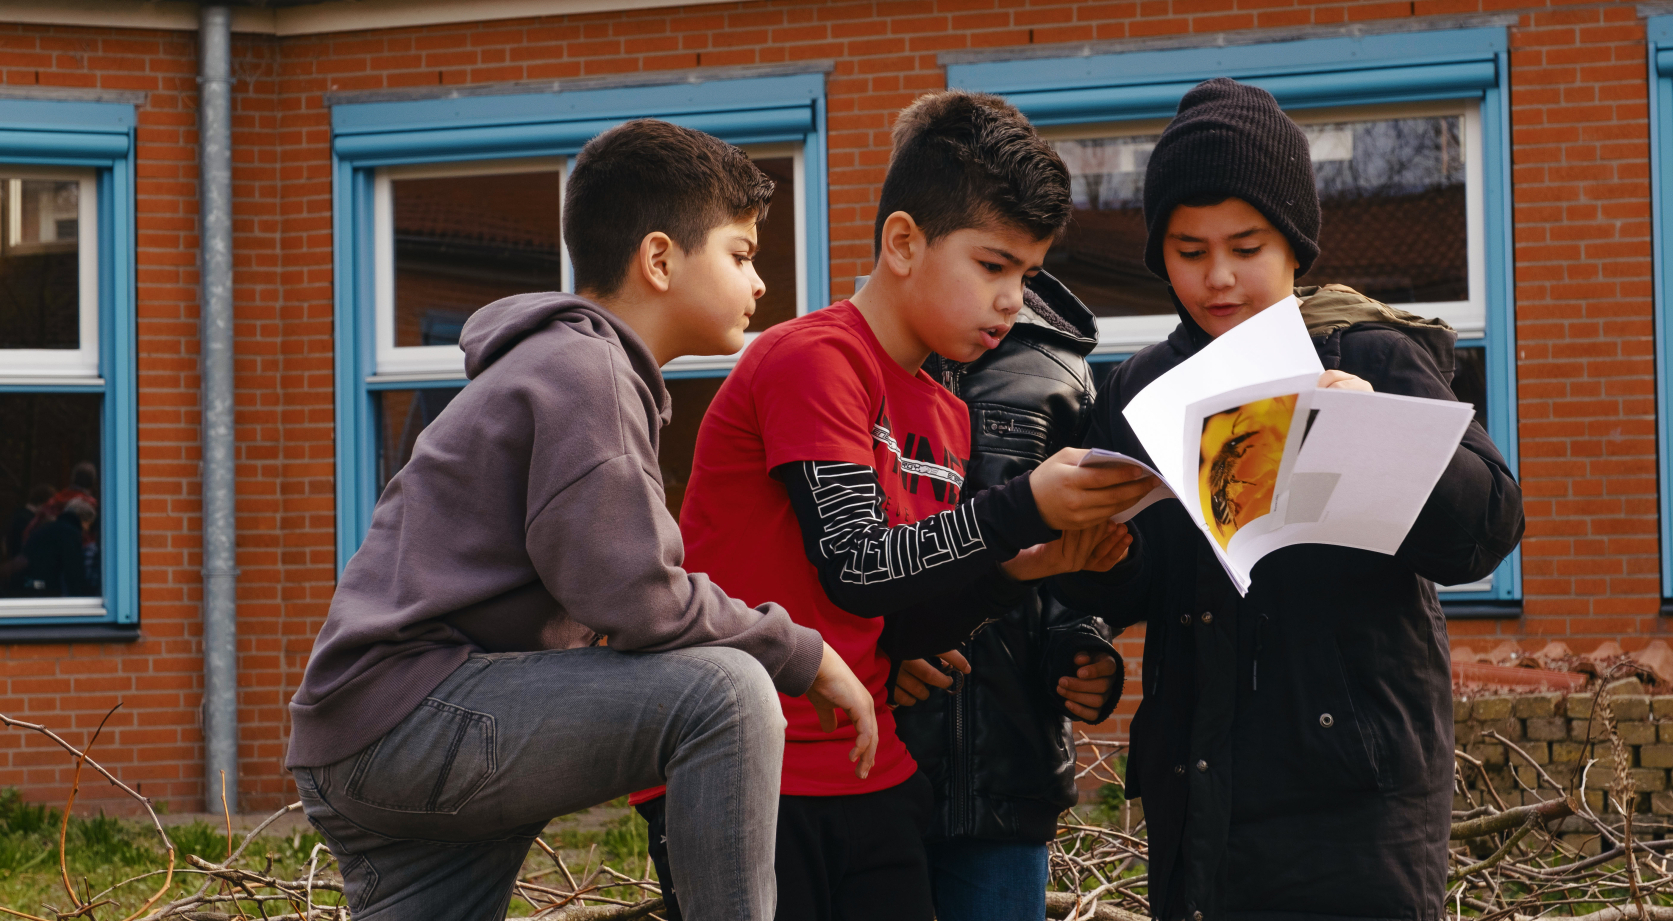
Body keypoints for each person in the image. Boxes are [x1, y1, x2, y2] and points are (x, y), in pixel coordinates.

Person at [286, 119, 879, 921]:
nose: (760, 283)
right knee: (729, 692)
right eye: (741, 254)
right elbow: (637, 596)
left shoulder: (564, 364)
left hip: (366, 730)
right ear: (660, 259)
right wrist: (803, 654)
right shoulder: (584, 370)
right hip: (412, 715)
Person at [642, 90, 1156, 921]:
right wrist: (1023, 506)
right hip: (740, 764)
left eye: (1026, 275)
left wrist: (1023, 570)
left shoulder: (941, 410)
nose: (1012, 300)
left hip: (865, 767)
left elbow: (900, 626)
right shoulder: (812, 359)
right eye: (992, 266)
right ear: (904, 242)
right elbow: (857, 565)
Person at [1056, 78, 1525, 921]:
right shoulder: (1139, 388)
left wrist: (1369, 428)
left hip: (1355, 809)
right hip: (1198, 798)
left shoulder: (1370, 353)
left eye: (1247, 245)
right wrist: (1086, 590)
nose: (1219, 278)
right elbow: (1127, 580)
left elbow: (1488, 529)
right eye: (1190, 251)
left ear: (1296, 246)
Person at [892, 265, 1127, 921]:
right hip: (880, 762)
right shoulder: (857, 355)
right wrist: (886, 644)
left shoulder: (1063, 371)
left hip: (1009, 765)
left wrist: (1080, 645)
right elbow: (835, 550)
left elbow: (1078, 557)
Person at [16, 495, 95, 597]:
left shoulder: (48, 528)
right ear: (81, 517)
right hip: (51, 590)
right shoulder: (70, 533)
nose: (87, 530)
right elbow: (72, 571)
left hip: (32, 585)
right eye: (88, 524)